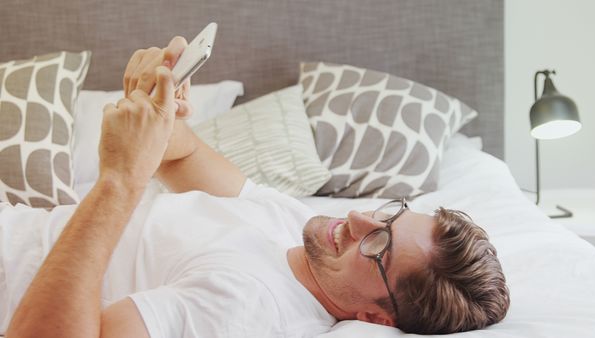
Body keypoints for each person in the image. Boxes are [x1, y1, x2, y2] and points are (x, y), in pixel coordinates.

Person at [2, 37, 509, 338]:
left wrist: (119, 179)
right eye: (390, 215)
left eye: (379, 244)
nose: (357, 221)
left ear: (373, 317)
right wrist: (154, 108)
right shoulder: (303, 233)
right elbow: (184, 157)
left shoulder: (245, 308)